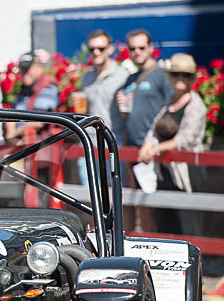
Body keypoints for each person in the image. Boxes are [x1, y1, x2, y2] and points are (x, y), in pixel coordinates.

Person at [137, 53, 206, 235]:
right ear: (169, 76)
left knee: (188, 226)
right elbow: (155, 129)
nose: (180, 79)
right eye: (176, 74)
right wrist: (147, 145)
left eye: (186, 75)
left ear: (193, 78)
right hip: (166, 172)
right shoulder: (170, 102)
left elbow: (185, 140)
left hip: (186, 174)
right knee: (166, 225)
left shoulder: (196, 104)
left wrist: (155, 148)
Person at [113, 28, 173, 232]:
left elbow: (170, 108)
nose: (137, 52)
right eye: (133, 48)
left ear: (150, 48)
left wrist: (158, 142)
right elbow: (129, 114)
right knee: (134, 202)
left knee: (151, 205)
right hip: (132, 148)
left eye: (141, 47)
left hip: (151, 148)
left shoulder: (161, 75)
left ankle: (153, 244)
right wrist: (123, 106)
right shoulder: (131, 79)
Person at [76, 29, 129, 184]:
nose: (96, 52)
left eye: (101, 48)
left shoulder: (122, 76)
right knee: (89, 191)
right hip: (88, 142)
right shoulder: (87, 77)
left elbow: (129, 111)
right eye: (92, 49)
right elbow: (87, 110)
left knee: (114, 191)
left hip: (112, 142)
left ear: (110, 49)